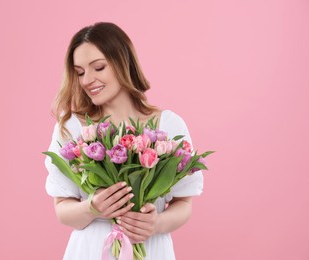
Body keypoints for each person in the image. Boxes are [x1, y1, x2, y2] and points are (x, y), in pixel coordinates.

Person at [45, 22, 203, 259]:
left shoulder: (167, 125)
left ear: (123, 63)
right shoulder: (72, 127)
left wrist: (155, 223)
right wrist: (91, 208)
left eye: (98, 67)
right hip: (92, 249)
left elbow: (184, 204)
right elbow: (62, 210)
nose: (87, 80)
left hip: (150, 247)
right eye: (79, 72)